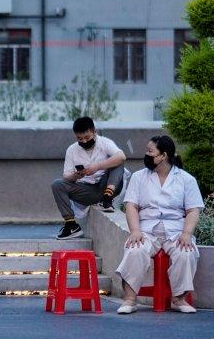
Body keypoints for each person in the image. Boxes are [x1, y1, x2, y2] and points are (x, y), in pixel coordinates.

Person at [114, 135, 203, 314]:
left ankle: (179, 299)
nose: (147, 155)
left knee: (186, 253)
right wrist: (135, 230)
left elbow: (193, 210)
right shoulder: (139, 177)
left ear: (164, 155)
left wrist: (186, 233)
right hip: (147, 229)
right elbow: (131, 205)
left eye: (150, 151)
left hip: (176, 230)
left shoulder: (186, 179)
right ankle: (130, 299)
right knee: (135, 250)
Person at [51, 116, 127, 239]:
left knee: (117, 161)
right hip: (86, 189)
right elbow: (66, 176)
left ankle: (107, 199)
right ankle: (71, 225)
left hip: (106, 185)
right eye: (80, 139)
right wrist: (76, 175)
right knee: (57, 184)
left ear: (94, 132)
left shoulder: (105, 143)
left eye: (87, 137)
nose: (84, 141)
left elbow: (122, 156)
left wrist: (97, 166)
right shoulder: (72, 150)